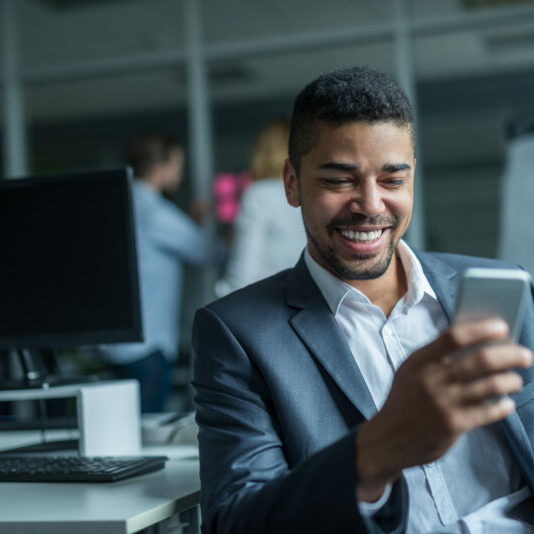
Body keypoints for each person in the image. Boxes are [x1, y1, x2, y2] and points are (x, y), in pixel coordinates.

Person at [191, 66, 534, 533]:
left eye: (393, 179)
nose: (371, 205)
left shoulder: (503, 287)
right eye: (339, 181)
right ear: (292, 183)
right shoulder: (237, 333)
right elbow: (236, 522)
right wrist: (376, 452)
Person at [102, 132, 225, 413]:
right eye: (177, 166)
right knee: (146, 438)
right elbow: (210, 254)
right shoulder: (156, 213)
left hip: (115, 347)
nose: (180, 174)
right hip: (148, 349)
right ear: (159, 169)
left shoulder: (118, 206)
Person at [215, 119, 306, 296]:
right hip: (308, 304)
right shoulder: (309, 191)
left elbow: (242, 275)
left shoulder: (258, 194)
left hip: (267, 307)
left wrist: (221, 292)